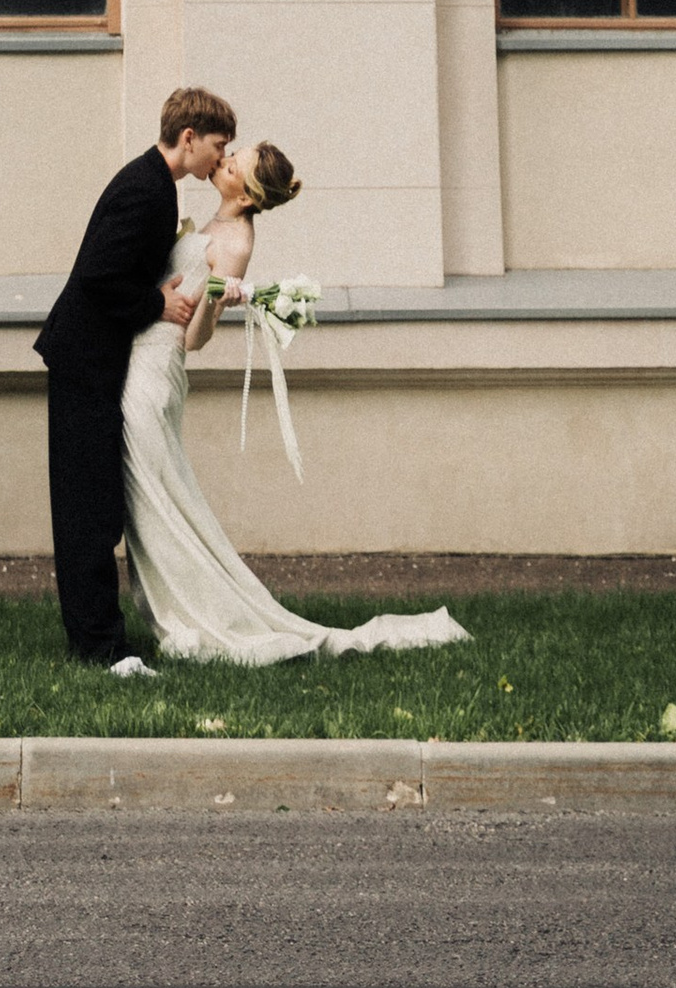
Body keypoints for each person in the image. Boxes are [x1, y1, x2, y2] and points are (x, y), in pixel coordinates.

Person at [121, 139, 470, 665]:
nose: (224, 160)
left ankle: (201, 614)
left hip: (154, 369)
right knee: (154, 500)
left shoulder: (237, 239)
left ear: (247, 192)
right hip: (135, 358)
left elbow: (193, 340)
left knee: (158, 503)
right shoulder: (206, 223)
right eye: (229, 154)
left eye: (234, 164)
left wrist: (216, 301)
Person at [37, 86, 232, 669]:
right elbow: (99, 277)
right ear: (189, 137)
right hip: (84, 362)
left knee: (94, 507)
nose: (222, 158)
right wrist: (156, 304)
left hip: (94, 361)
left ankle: (98, 639)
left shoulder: (152, 185)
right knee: (87, 511)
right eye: (219, 146)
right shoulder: (147, 191)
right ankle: (100, 647)